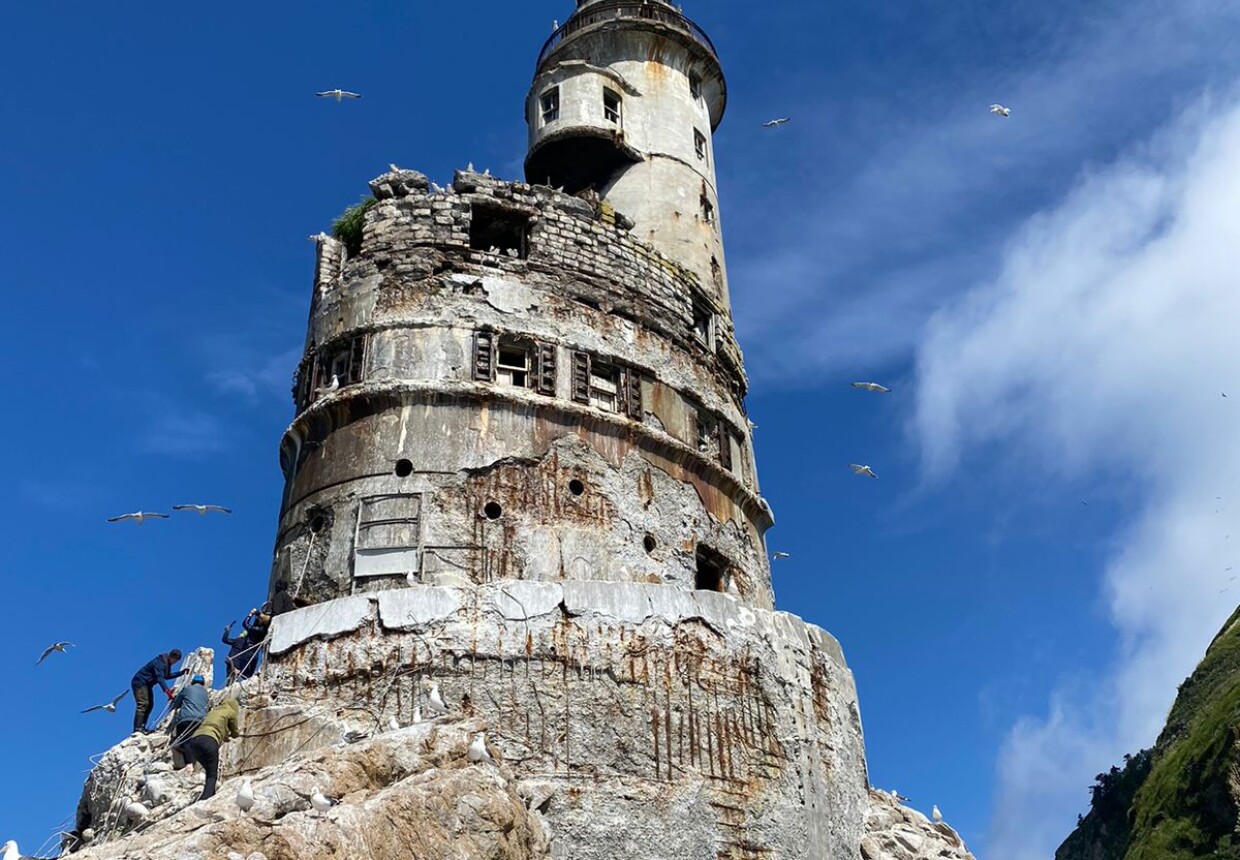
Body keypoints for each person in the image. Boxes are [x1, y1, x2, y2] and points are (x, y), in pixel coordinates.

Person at [179, 698, 240, 801]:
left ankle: (210, 791)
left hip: (194, 742)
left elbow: (213, 725)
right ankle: (206, 798)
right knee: (212, 773)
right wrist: (234, 734)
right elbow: (235, 732)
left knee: (209, 769)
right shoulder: (231, 712)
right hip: (209, 740)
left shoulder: (213, 711)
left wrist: (223, 735)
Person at [130, 650, 186, 734]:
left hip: (147, 685)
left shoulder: (166, 663)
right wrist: (167, 691)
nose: (175, 663)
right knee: (143, 704)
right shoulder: (160, 662)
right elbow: (160, 677)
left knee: (150, 705)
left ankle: (142, 727)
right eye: (175, 661)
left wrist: (181, 673)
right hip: (140, 682)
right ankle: (137, 729)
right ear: (173, 658)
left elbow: (166, 676)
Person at [222, 609, 271, 682]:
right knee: (247, 673)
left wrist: (250, 614)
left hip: (249, 652)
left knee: (242, 673)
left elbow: (245, 624)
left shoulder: (257, 630)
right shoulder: (263, 630)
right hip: (254, 653)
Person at [171, 674, 209, 749]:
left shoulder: (187, 689)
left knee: (182, 741)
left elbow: (176, 703)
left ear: (193, 682)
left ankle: (183, 752)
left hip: (185, 719)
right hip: (200, 722)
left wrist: (174, 700)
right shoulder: (205, 693)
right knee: (193, 741)